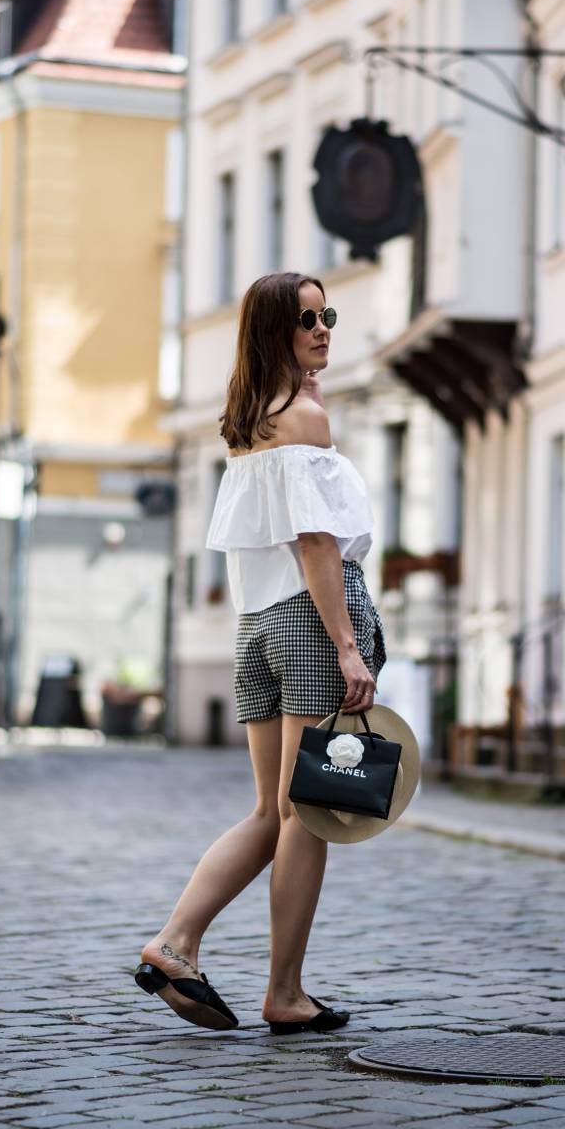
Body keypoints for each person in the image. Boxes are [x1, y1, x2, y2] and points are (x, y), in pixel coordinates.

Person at [133, 271, 385, 1036]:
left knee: (269, 811)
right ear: (274, 332)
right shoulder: (304, 418)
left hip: (255, 629)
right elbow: (316, 543)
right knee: (305, 814)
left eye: (326, 316)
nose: (322, 330)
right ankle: (286, 993)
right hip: (308, 624)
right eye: (306, 320)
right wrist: (349, 647)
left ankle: (175, 943)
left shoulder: (249, 421)